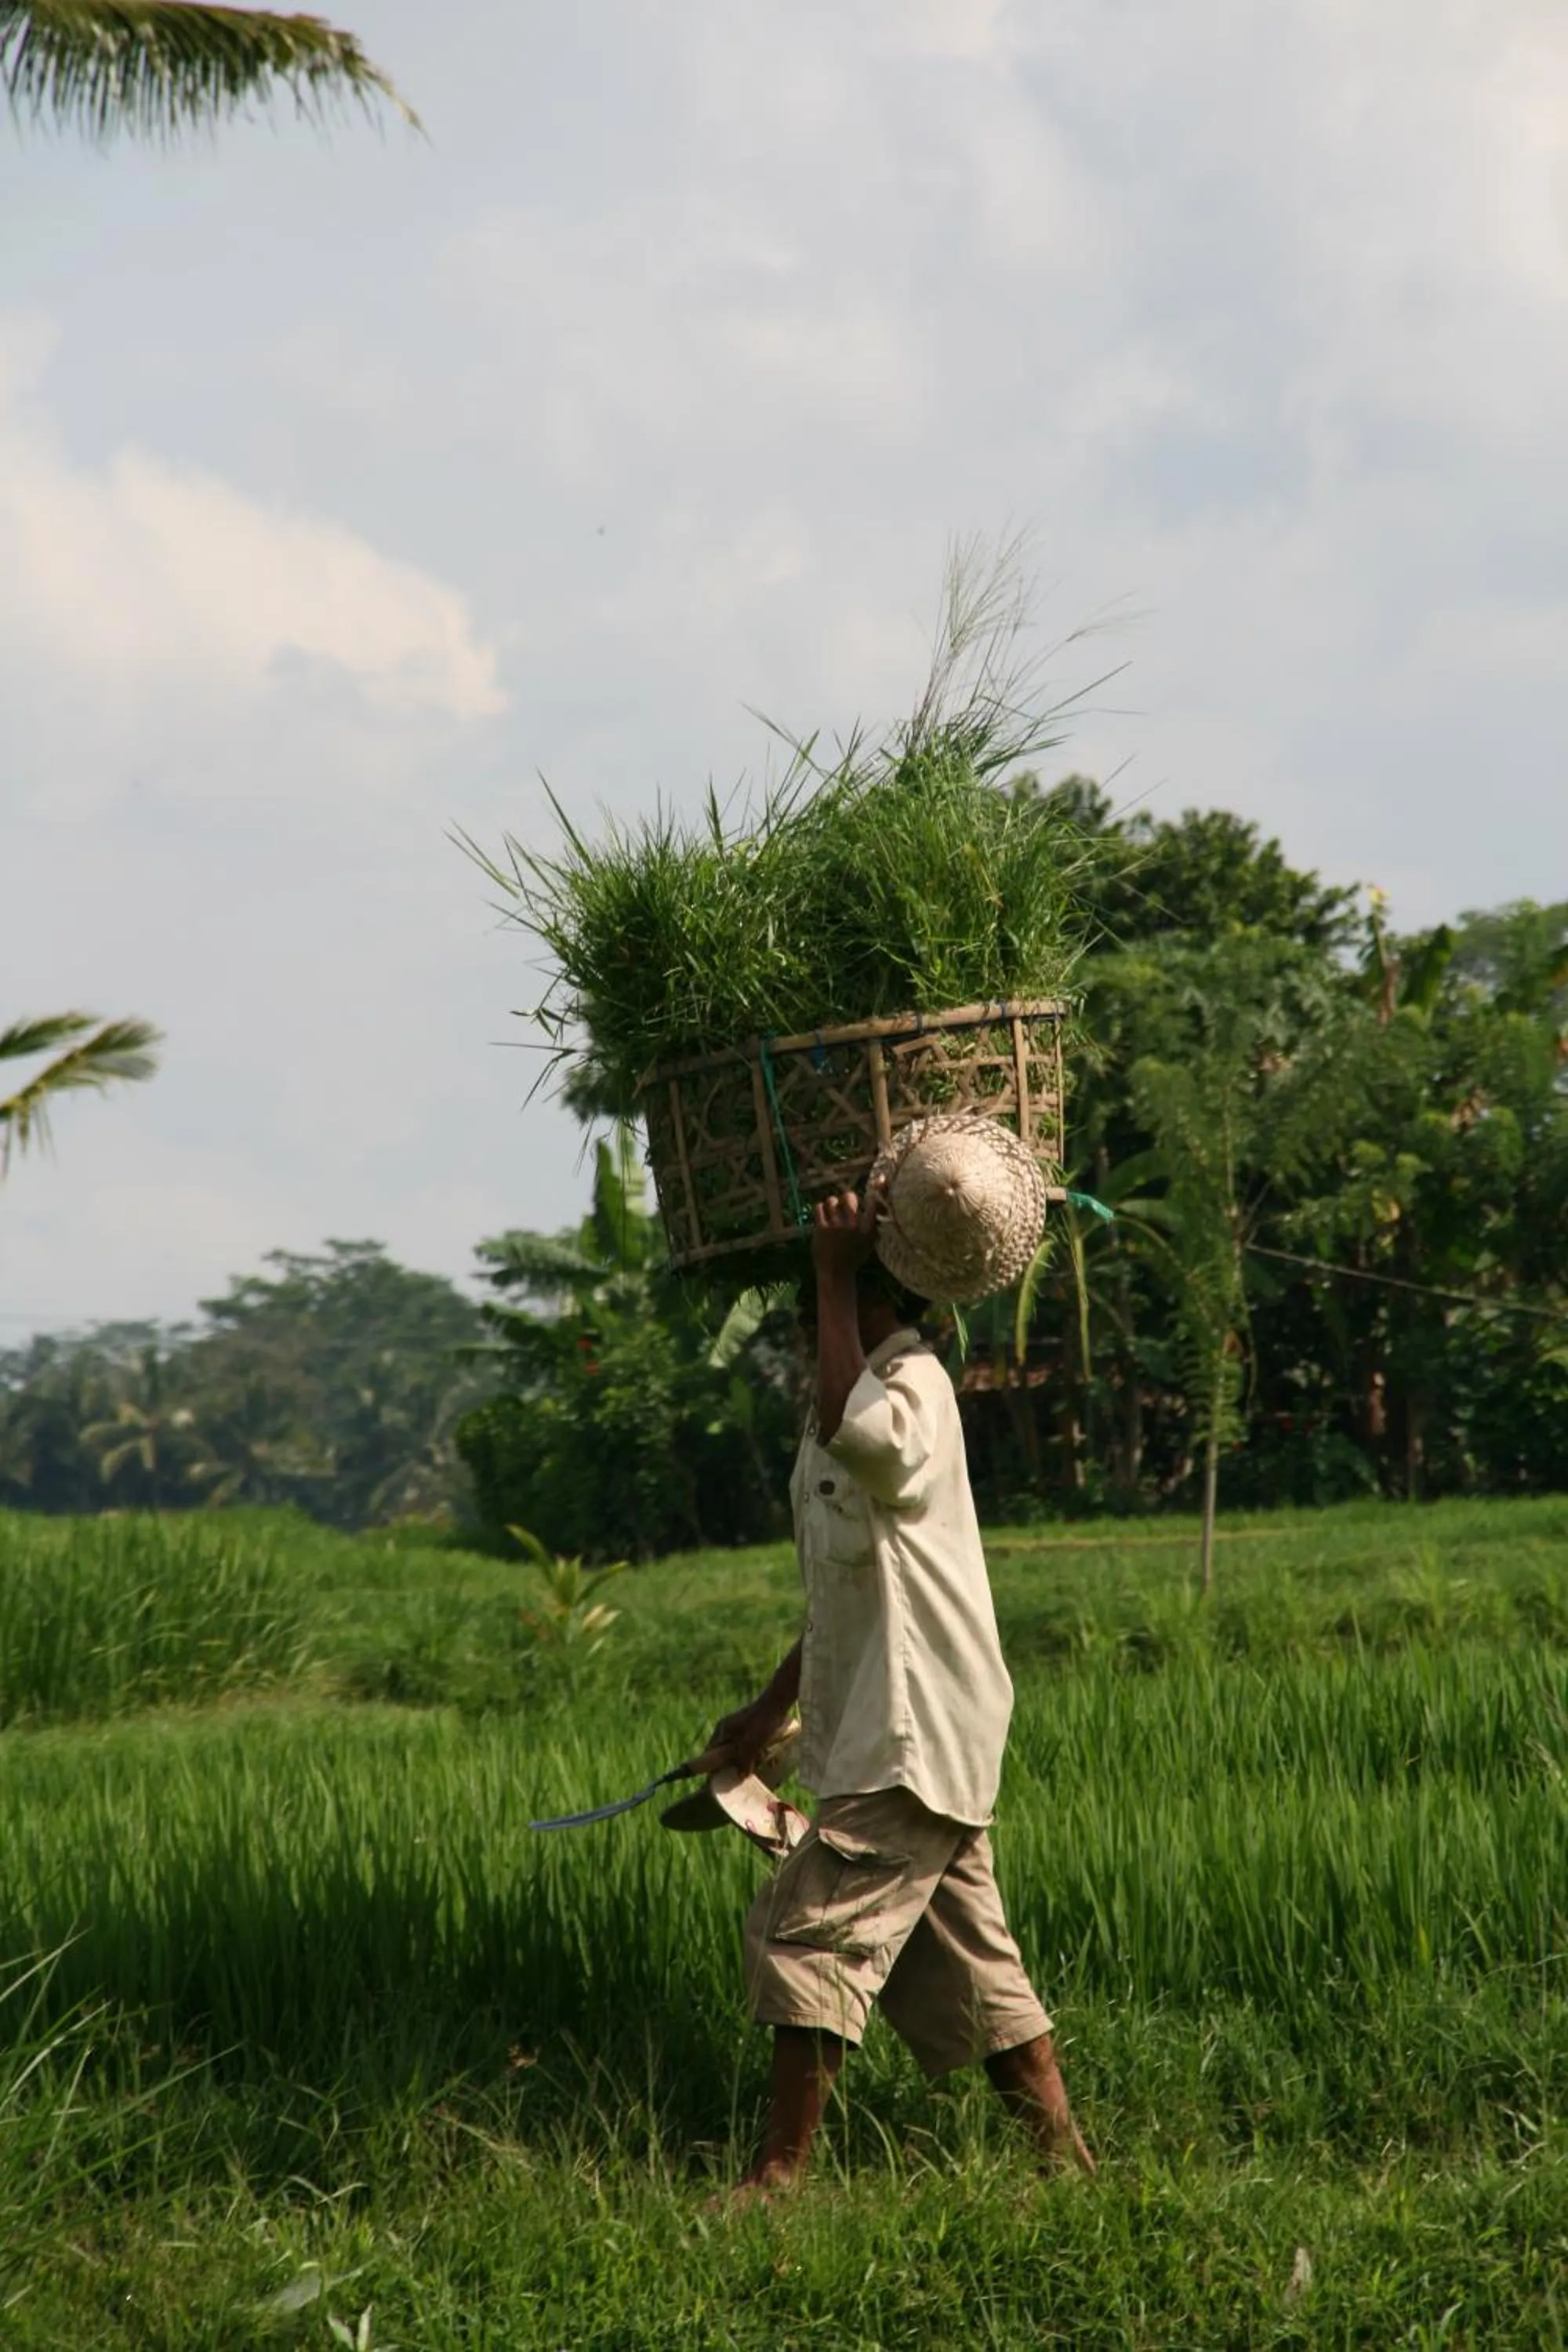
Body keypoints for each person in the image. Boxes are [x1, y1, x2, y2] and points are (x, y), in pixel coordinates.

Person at [710, 1185, 1094, 2195]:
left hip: (910, 1729)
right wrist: (767, 1710)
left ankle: (776, 2179)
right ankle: (1070, 2175)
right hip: (879, 1725)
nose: (804, 1323)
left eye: (821, 1304)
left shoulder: (908, 1387)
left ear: (877, 1296)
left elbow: (863, 1438)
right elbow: (844, 1590)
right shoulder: (846, 1397)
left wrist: (834, 1272)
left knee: (809, 1932)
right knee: (968, 1970)